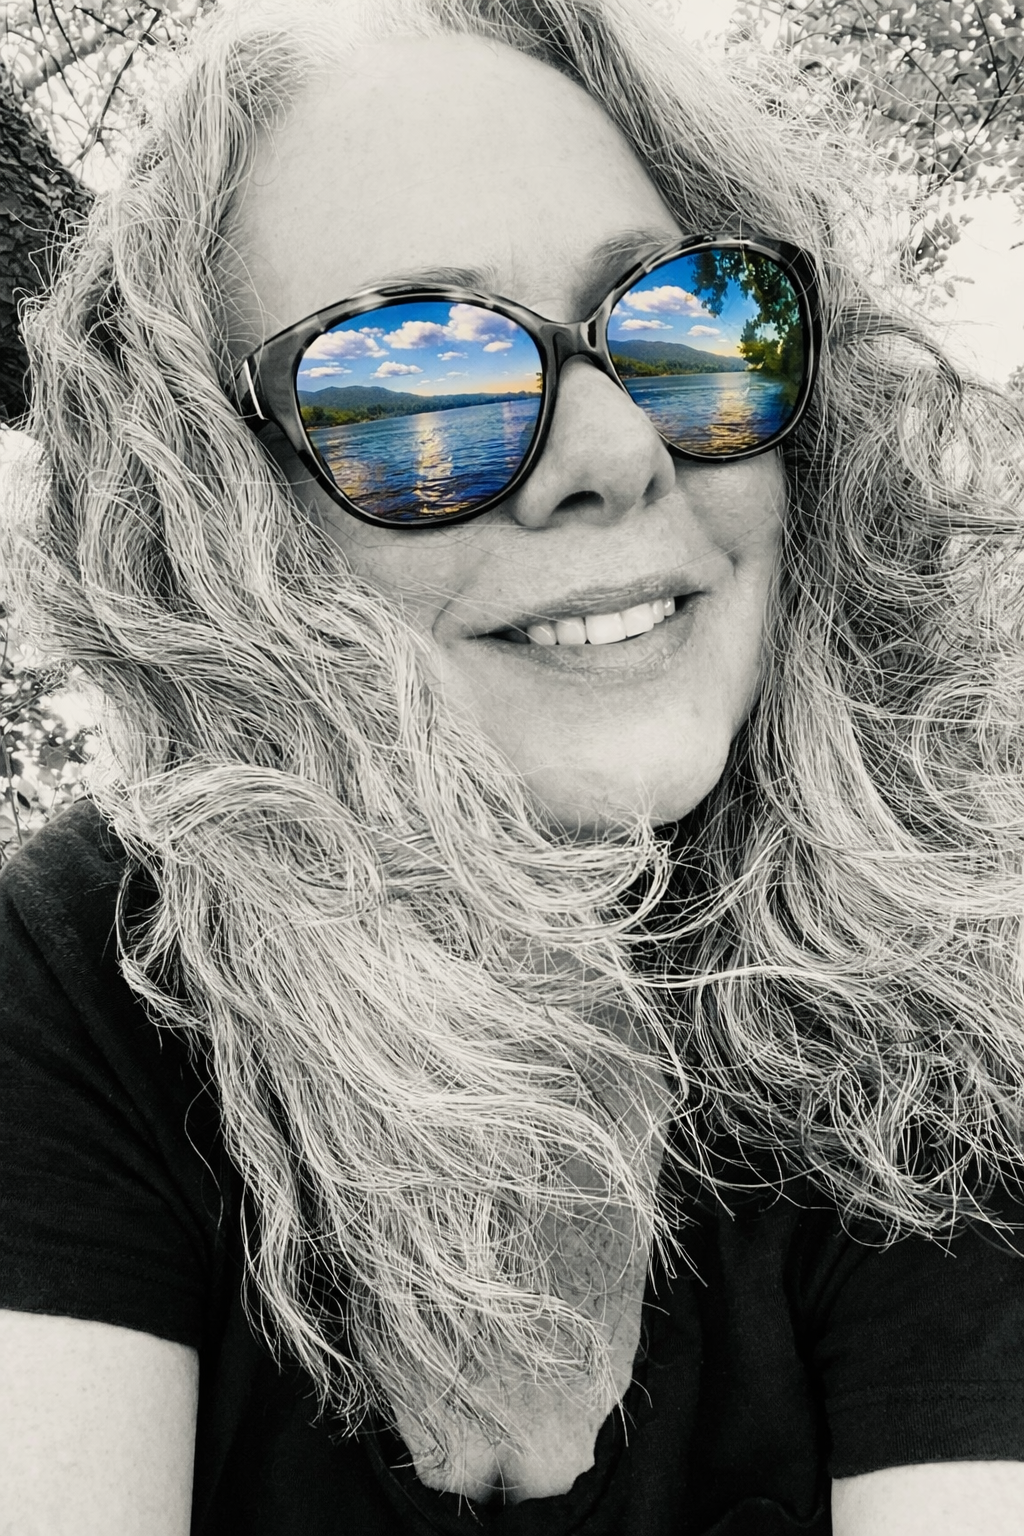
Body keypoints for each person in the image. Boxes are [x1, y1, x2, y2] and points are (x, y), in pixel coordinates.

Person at [3, 0, 1024, 1530]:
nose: (617, 453)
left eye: (684, 325)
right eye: (419, 386)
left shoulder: (930, 994)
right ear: (207, 516)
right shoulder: (73, 984)